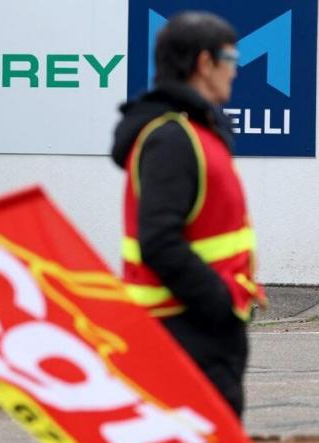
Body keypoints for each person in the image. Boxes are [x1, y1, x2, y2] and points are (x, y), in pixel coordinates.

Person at [111, 11, 266, 418]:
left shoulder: (194, 132)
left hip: (195, 330)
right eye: (230, 61)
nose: (234, 73)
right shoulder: (173, 139)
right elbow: (159, 240)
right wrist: (219, 306)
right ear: (204, 63)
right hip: (185, 333)